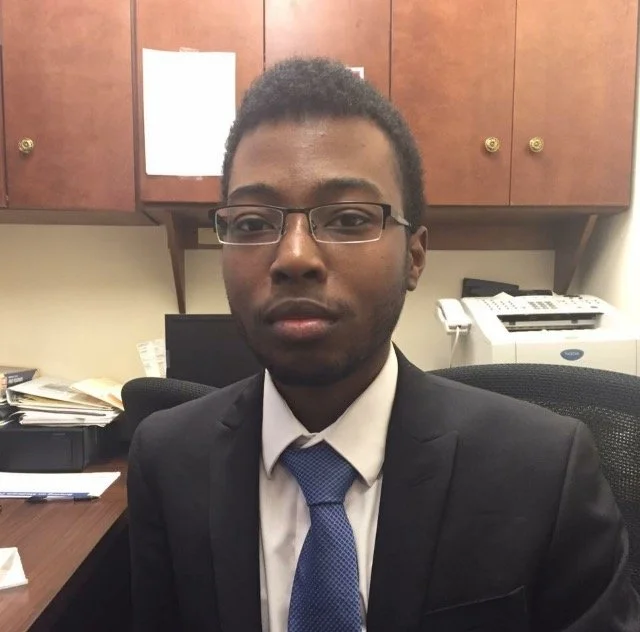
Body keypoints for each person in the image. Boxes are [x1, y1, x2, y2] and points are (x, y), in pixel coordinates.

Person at [127, 57, 640, 631]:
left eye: (348, 219)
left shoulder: (546, 470)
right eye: (251, 223)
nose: (295, 256)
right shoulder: (167, 460)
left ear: (415, 257)